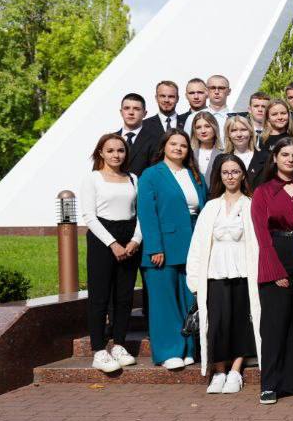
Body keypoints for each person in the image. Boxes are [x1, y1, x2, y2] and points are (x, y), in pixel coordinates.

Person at [186, 154, 261, 395]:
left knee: (240, 323)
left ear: (243, 175)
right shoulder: (211, 207)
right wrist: (194, 279)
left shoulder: (250, 205)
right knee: (216, 323)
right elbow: (198, 244)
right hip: (215, 274)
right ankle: (218, 371)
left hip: (243, 274)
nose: (230, 177)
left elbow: (258, 243)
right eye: (226, 172)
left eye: (235, 172)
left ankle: (236, 371)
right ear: (220, 175)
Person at [136, 130, 208, 369]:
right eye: (173, 144)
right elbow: (147, 214)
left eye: (183, 145)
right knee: (164, 303)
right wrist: (154, 247)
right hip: (163, 248)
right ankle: (169, 351)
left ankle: (188, 349)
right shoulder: (151, 175)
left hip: (192, 245)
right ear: (164, 146)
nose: (178, 148)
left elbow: (204, 210)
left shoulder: (195, 175)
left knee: (189, 299)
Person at [251, 138, 293, 404]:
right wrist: (275, 270)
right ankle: (270, 383)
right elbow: (261, 235)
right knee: (274, 325)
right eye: (285, 155)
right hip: (275, 255)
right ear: (275, 158)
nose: (290, 159)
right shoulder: (263, 191)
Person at [80, 133, 142, 373]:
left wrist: (135, 239)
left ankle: (119, 344)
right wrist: (112, 243)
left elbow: (140, 212)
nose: (116, 155)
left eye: (121, 150)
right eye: (111, 150)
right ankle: (98, 349)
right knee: (100, 296)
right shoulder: (93, 178)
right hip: (103, 238)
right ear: (101, 153)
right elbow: (89, 216)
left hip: (130, 237)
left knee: (124, 296)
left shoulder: (133, 178)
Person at [118, 93, 161, 176]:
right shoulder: (109, 140)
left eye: (136, 109)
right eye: (126, 108)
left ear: (145, 113)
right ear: (121, 112)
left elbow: (156, 174)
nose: (131, 112)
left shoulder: (156, 141)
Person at [216, 116, 261, 183]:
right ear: (228, 134)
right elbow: (215, 186)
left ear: (251, 132)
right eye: (234, 130)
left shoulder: (265, 157)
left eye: (243, 130)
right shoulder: (220, 159)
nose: (239, 134)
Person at [189, 111, 222, 177]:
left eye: (207, 126)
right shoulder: (189, 154)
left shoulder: (224, 154)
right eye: (198, 127)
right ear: (194, 131)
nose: (203, 131)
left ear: (214, 128)